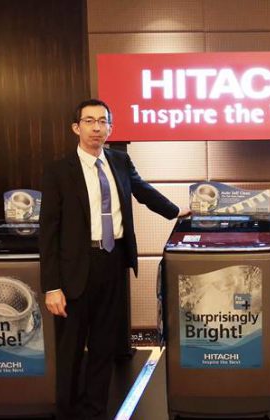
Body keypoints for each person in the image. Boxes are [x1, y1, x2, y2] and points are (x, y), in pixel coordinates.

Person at [39, 98, 189, 419]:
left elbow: (142, 191)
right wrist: (51, 286)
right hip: (74, 269)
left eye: (102, 121)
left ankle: (95, 411)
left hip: (113, 261)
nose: (97, 128)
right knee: (70, 349)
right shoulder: (58, 171)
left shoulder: (120, 160)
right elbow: (48, 233)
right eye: (89, 121)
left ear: (110, 127)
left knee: (104, 346)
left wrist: (176, 211)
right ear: (76, 127)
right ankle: (66, 411)